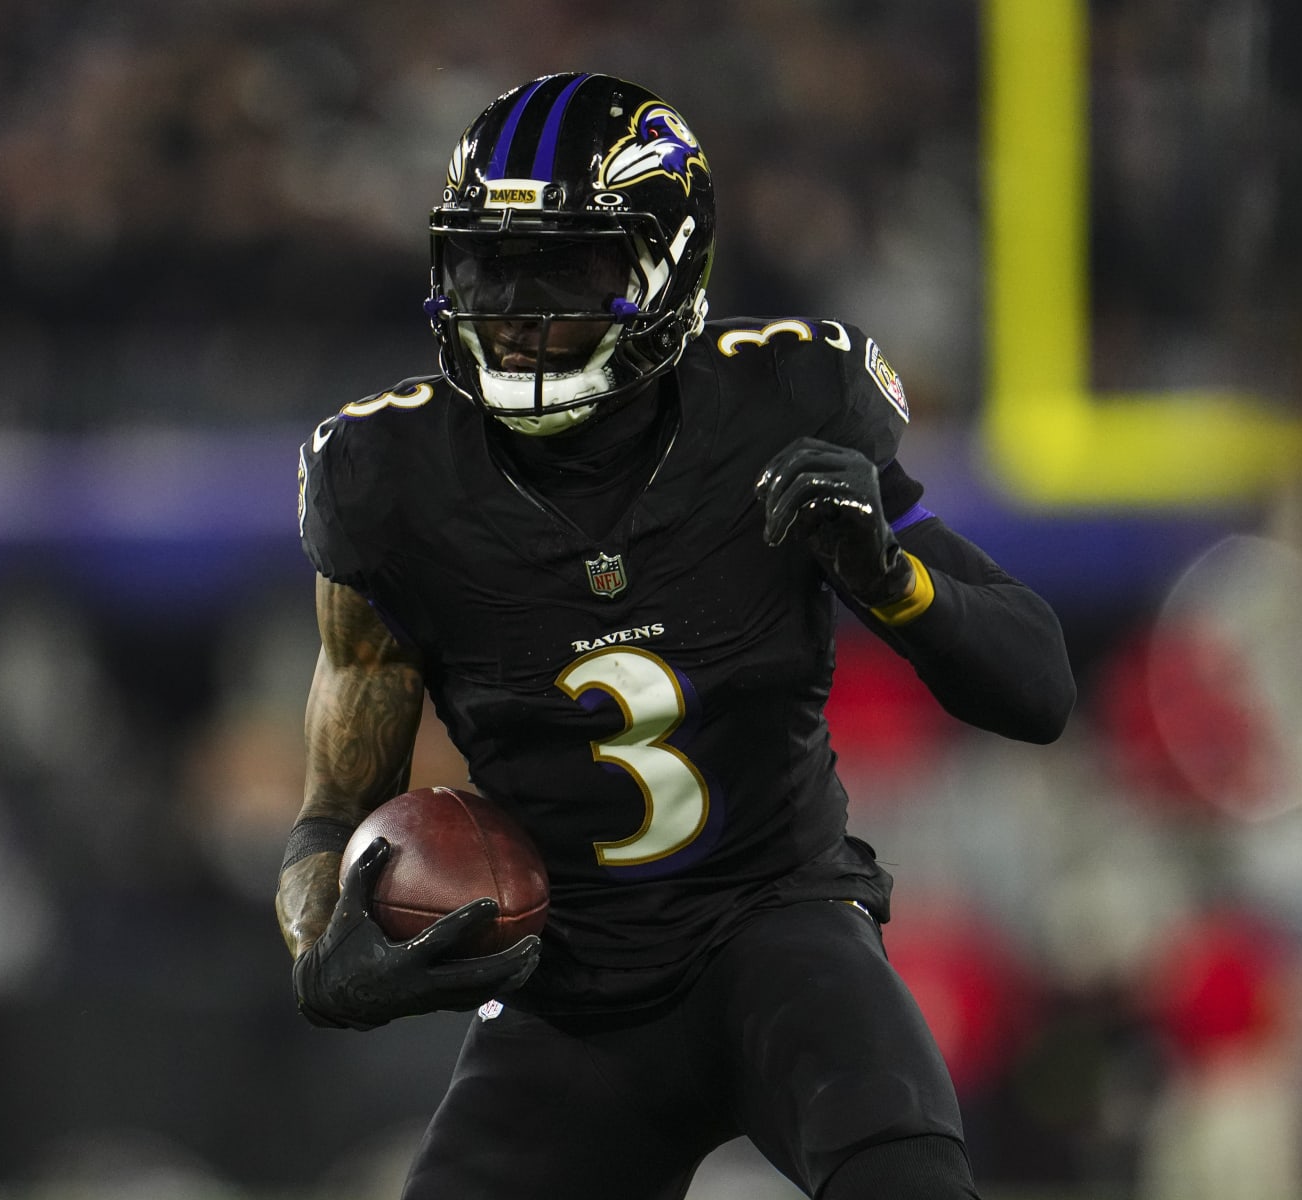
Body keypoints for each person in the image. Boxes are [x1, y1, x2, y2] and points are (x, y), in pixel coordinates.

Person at [276, 72, 1075, 1200]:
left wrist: (894, 582)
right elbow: (327, 816)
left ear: (670, 266)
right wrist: (323, 948)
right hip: (569, 993)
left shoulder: (789, 398)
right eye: (490, 265)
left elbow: (1037, 688)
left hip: (782, 931)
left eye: (569, 266)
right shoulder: (387, 483)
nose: (517, 306)